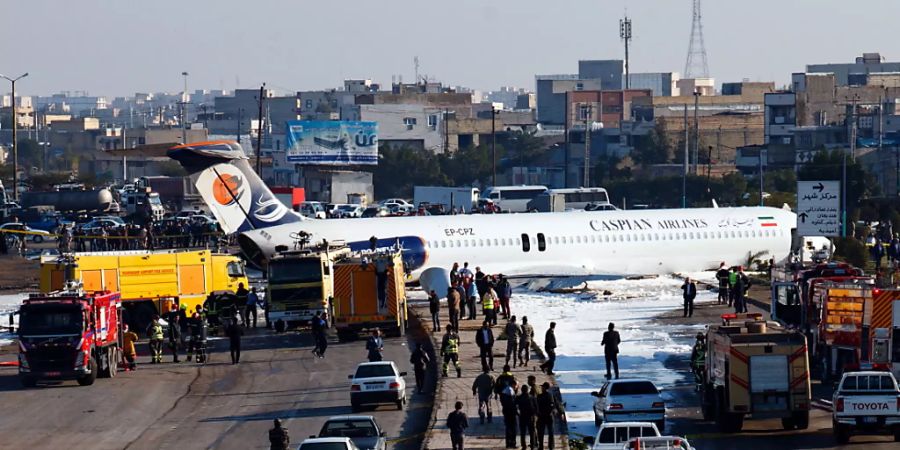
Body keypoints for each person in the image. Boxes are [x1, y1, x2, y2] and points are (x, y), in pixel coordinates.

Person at [536, 382, 557, 450]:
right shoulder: (549, 395)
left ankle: (543, 446)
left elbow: (551, 405)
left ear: (545, 387)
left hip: (544, 416)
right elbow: (553, 405)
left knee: (542, 432)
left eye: (542, 387)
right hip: (547, 416)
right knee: (549, 432)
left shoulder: (541, 396)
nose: (541, 388)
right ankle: (550, 446)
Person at [499, 375, 519, 448]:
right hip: (511, 412)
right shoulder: (510, 391)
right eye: (517, 385)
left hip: (506, 411)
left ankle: (508, 443)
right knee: (513, 428)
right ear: (514, 384)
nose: (517, 387)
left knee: (508, 428)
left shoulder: (506, 390)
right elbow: (513, 403)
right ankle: (512, 443)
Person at [517, 384, 538, 450]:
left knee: (523, 432)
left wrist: (518, 413)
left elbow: (515, 406)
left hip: (522, 416)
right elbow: (536, 408)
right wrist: (535, 415)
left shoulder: (519, 397)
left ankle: (524, 446)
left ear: (522, 390)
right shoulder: (532, 397)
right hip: (531, 417)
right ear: (528, 390)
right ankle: (532, 445)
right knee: (532, 432)